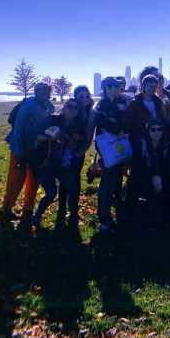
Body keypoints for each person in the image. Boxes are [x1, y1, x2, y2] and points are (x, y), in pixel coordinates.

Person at [1, 83, 54, 222]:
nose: (45, 94)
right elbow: (18, 130)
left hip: (36, 150)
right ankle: (6, 210)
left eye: (47, 91)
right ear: (35, 92)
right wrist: (18, 153)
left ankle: (28, 211)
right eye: (41, 91)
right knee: (16, 180)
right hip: (21, 148)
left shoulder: (49, 107)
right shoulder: (27, 107)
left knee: (33, 180)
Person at [30, 99, 84, 233]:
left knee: (73, 188)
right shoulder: (52, 120)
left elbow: (80, 144)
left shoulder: (77, 127)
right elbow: (34, 136)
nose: (73, 109)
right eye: (70, 106)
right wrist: (50, 138)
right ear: (64, 108)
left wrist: (76, 145)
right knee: (51, 192)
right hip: (43, 162)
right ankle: (36, 218)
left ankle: (73, 216)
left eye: (76, 108)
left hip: (61, 164)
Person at [57, 85, 96, 222]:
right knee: (64, 179)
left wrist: (82, 150)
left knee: (75, 178)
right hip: (64, 149)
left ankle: (73, 210)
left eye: (87, 96)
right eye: (81, 96)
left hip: (79, 149)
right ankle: (61, 209)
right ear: (75, 97)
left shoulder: (91, 112)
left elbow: (89, 133)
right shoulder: (72, 108)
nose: (84, 99)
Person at [95, 77, 127, 231]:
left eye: (118, 85)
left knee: (107, 179)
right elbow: (100, 119)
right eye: (114, 86)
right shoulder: (103, 104)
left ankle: (101, 213)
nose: (117, 87)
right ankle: (105, 218)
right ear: (106, 88)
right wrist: (117, 130)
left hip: (113, 145)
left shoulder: (113, 102)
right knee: (109, 181)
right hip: (108, 146)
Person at [128, 117, 170, 228]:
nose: (156, 132)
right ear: (148, 131)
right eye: (153, 129)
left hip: (159, 178)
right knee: (152, 193)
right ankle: (148, 223)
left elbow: (167, 167)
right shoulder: (140, 145)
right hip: (142, 179)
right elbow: (136, 168)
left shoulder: (166, 146)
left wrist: (160, 178)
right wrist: (153, 179)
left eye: (159, 129)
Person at [124, 74, 166, 143]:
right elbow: (128, 122)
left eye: (155, 86)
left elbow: (163, 120)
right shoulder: (134, 103)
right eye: (150, 86)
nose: (152, 89)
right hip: (140, 139)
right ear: (144, 86)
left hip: (157, 138)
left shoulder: (158, 102)